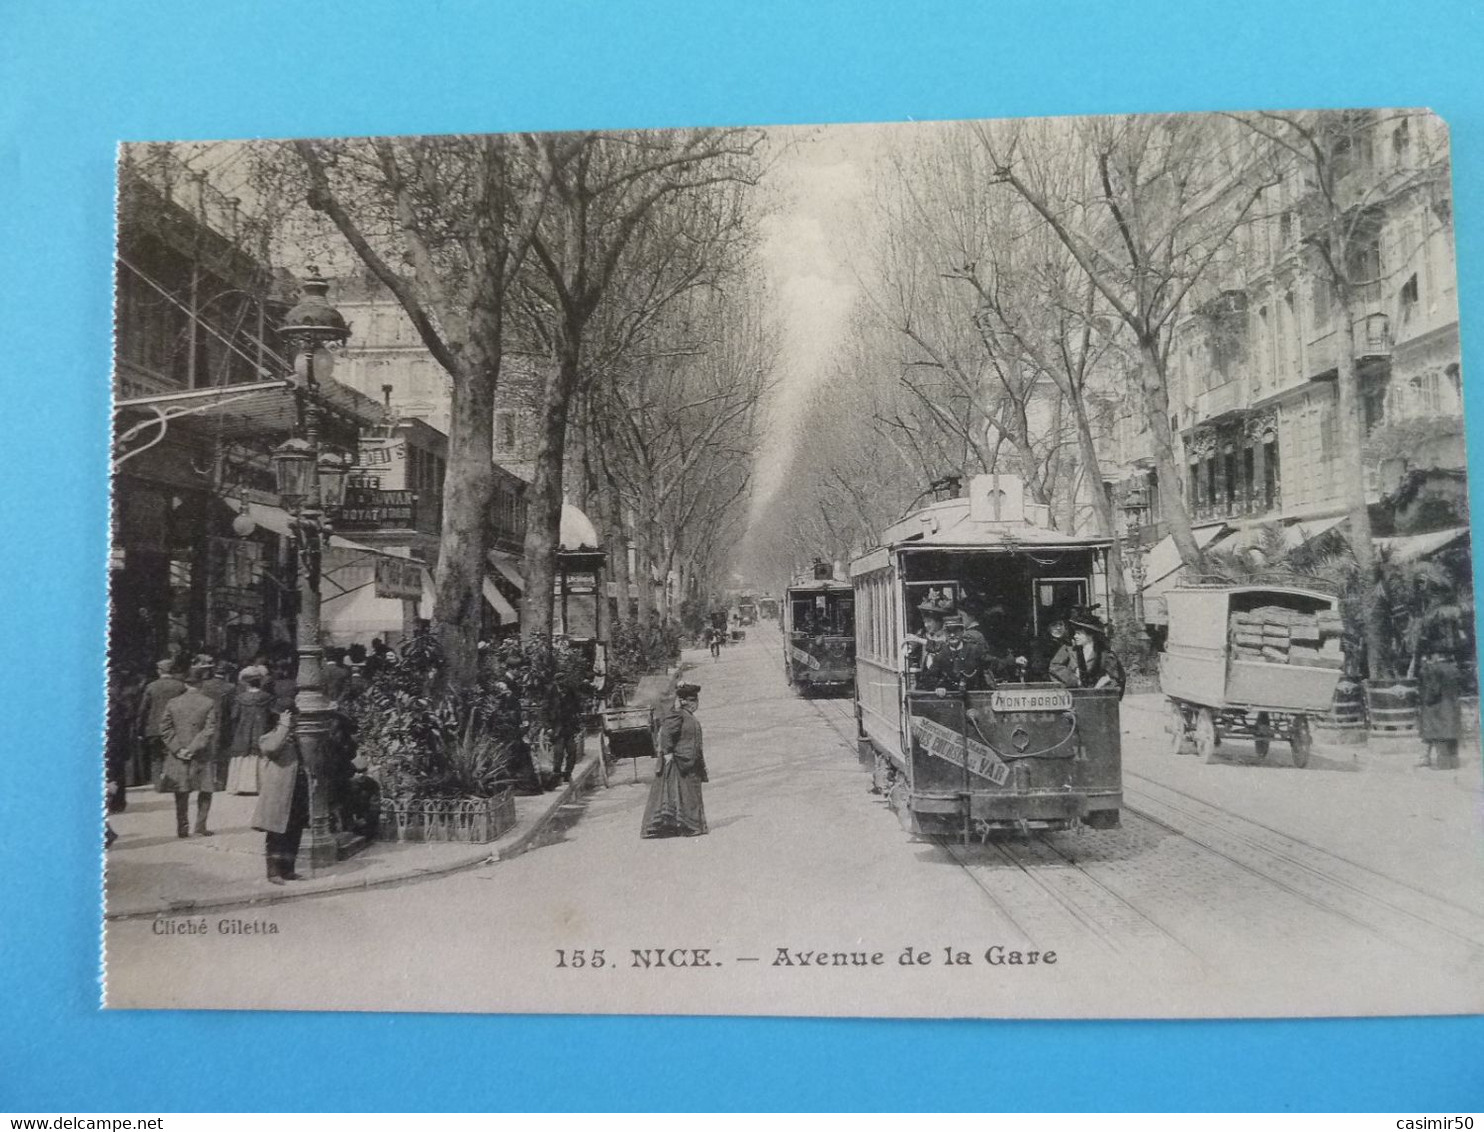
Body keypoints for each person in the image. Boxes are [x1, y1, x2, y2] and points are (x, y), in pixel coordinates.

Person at [158, 663, 221, 838]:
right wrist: (193, 748)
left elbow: (165, 729)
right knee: (205, 789)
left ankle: (182, 827)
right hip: (201, 753)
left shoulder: (173, 703)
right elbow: (209, 730)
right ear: (200, 684)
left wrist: (178, 749)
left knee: (181, 790)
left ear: (186, 684)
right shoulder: (208, 703)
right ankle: (200, 826)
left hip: (178, 754)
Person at [641, 682, 708, 838]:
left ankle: (690, 825)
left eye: (695, 701)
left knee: (689, 794)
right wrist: (668, 753)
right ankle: (686, 826)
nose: (695, 704)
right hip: (678, 761)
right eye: (692, 700)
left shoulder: (689, 716)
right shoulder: (678, 714)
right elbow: (666, 733)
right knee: (681, 794)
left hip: (691, 762)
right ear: (684, 701)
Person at [252, 710, 308, 883]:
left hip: (296, 791)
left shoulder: (295, 738)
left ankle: (288, 870)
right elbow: (271, 748)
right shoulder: (268, 738)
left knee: (294, 832)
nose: (294, 722)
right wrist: (283, 726)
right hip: (279, 794)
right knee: (276, 833)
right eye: (291, 719)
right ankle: (273, 872)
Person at [137, 659, 186, 797]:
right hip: (174, 728)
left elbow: (143, 710)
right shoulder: (180, 686)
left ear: (159, 671)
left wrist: (140, 729)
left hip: (154, 728)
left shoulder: (151, 687)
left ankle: (158, 785)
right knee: (173, 755)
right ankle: (173, 783)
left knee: (156, 757)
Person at [224, 674, 273, 794]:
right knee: (260, 755)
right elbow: (272, 716)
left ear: (248, 684)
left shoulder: (240, 698)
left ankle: (240, 786)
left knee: (242, 754)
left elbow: (234, 715)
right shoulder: (267, 697)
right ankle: (260, 786)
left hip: (243, 731)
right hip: (261, 730)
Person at [923, 614, 992, 694]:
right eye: (948, 631)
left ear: (962, 632)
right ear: (945, 633)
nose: (952, 635)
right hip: (953, 700)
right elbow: (928, 679)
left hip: (975, 697)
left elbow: (986, 674)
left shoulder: (975, 651)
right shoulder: (941, 655)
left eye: (956, 631)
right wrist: (939, 687)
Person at [1418, 649, 1462, 770]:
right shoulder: (1454, 668)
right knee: (1452, 734)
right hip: (1453, 705)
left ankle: (1443, 764)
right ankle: (1454, 763)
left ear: (1435, 655)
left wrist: (1426, 701)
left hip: (1439, 708)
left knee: (1440, 735)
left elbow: (1433, 691)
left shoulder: (1434, 669)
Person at [1065, 616, 1126, 698]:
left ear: (1090, 635)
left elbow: (1115, 678)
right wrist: (1073, 678)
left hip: (1098, 697)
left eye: (1079, 634)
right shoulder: (1073, 651)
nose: (1075, 636)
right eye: (1075, 633)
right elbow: (1057, 668)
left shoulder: (1104, 654)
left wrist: (1100, 686)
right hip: (1075, 695)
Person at [1045, 620, 1078, 686]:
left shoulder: (1070, 644)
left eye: (1060, 624)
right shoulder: (1043, 644)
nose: (1058, 628)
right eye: (1054, 625)